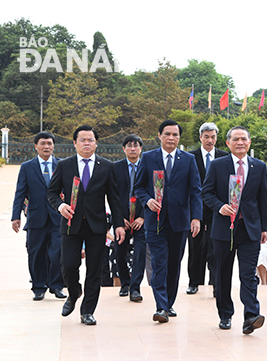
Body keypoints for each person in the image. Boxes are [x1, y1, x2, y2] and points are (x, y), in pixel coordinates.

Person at [47, 125, 126, 325]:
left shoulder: (107, 166)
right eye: (82, 140)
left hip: (97, 226)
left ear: (96, 143)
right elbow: (51, 193)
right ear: (74, 143)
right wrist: (61, 206)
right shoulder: (65, 165)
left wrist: (118, 225)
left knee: (95, 269)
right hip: (70, 224)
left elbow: (114, 199)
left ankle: (87, 311)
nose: (86, 143)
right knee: (69, 265)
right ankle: (74, 293)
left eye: (90, 140)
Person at [202, 126, 267, 334]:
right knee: (222, 273)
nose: (240, 142)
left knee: (248, 274)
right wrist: (219, 206)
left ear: (249, 142)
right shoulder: (217, 165)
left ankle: (251, 315)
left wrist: (264, 228)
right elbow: (206, 192)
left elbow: (263, 199)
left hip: (249, 229)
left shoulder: (259, 166)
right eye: (236, 139)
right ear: (228, 143)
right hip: (223, 228)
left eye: (244, 139)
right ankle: (225, 314)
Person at [134, 119, 202, 323]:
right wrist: (148, 201)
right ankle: (161, 306)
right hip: (155, 221)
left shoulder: (188, 159)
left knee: (174, 265)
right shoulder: (147, 158)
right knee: (159, 263)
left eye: (175, 135)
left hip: (180, 221)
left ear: (179, 137)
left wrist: (196, 217)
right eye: (167, 134)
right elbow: (138, 188)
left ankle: (169, 303)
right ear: (159, 136)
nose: (171, 138)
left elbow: (195, 191)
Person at [12, 131, 65, 301]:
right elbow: (20, 192)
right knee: (36, 254)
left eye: (49, 143)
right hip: (36, 217)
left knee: (58, 253)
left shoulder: (62, 165)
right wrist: (16, 216)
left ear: (53, 146)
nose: (46, 146)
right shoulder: (27, 167)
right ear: (36, 146)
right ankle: (38, 287)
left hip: (58, 217)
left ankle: (57, 286)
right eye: (42, 143)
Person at [186, 122, 228, 295]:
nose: (210, 140)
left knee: (215, 248)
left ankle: (214, 283)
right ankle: (194, 282)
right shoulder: (190, 157)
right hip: (195, 209)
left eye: (213, 137)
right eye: (206, 137)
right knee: (195, 248)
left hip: (217, 210)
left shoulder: (224, 157)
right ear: (200, 138)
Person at [114, 134, 149, 302]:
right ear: (124, 149)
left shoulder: (147, 166)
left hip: (142, 219)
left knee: (140, 252)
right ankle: (124, 284)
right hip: (123, 219)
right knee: (120, 251)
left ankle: (135, 288)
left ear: (141, 149)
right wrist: (120, 218)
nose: (133, 148)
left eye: (136, 145)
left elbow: (154, 193)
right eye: (129, 145)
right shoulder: (115, 168)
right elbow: (112, 195)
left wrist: (142, 217)